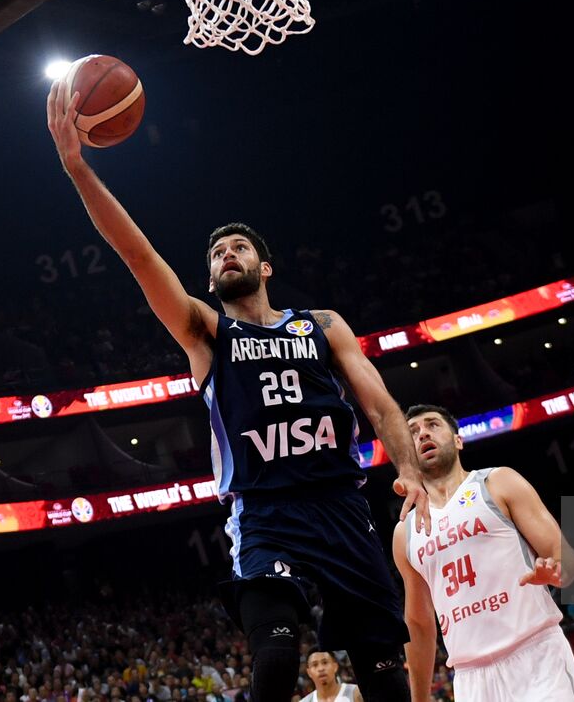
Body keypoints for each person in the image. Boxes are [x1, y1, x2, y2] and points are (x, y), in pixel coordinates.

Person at [46, 81, 428, 702]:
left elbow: (382, 406)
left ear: (264, 266)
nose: (228, 255)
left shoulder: (323, 325)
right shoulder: (206, 332)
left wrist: (408, 469)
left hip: (341, 507)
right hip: (266, 511)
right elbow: (139, 258)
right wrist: (77, 168)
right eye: (218, 252)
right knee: (275, 659)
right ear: (209, 275)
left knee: (382, 667)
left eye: (239, 247)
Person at [393, 403, 574, 701]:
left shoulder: (498, 482)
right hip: (471, 676)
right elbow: (418, 622)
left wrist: (557, 572)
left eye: (433, 425)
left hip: (535, 655)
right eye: (413, 432)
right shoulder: (406, 532)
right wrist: (419, 698)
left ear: (458, 439)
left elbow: (566, 558)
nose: (423, 433)